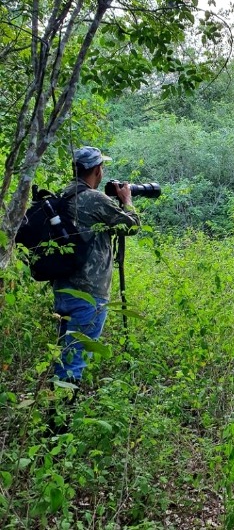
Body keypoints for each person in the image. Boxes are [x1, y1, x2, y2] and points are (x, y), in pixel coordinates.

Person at [52, 146, 141, 383]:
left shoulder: (65, 195)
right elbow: (131, 226)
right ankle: (61, 417)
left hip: (64, 289)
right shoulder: (93, 198)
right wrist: (127, 200)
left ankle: (55, 410)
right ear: (96, 170)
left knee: (64, 354)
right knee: (73, 361)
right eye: (101, 166)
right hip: (88, 294)